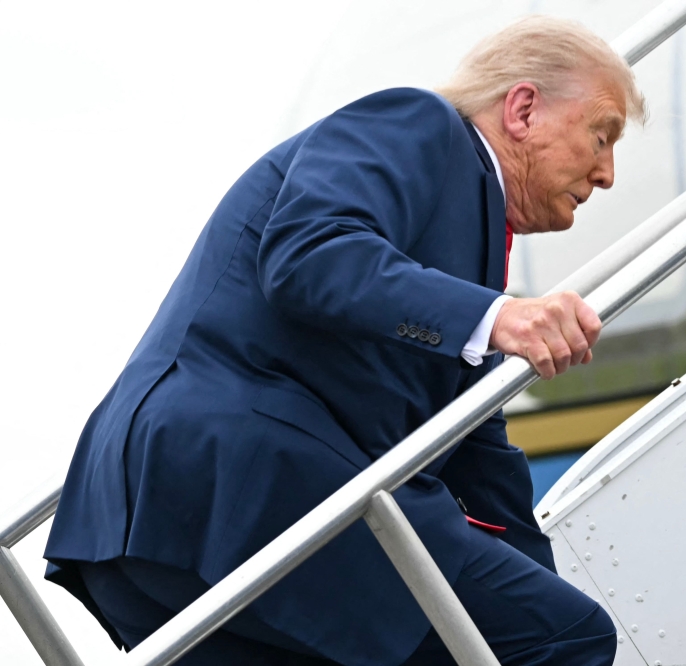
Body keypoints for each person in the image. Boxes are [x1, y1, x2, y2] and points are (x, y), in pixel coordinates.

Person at [43, 15, 646, 666]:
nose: (607, 172)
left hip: (168, 520)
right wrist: (498, 316)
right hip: (239, 483)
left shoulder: (466, 267)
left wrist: (535, 586)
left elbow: (480, 464)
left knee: (537, 626)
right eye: (601, 134)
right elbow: (307, 254)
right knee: (565, 637)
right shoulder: (421, 127)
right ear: (523, 109)